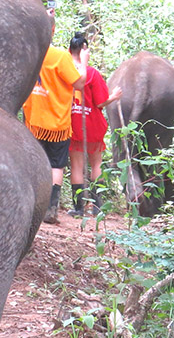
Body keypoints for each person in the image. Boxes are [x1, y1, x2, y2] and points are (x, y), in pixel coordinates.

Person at [22, 14, 85, 224]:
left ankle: (29, 207)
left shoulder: (29, 52)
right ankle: (50, 209)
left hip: (33, 120)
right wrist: (82, 63)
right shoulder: (60, 56)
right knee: (56, 165)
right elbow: (79, 83)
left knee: (32, 163)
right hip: (57, 123)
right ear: (53, 30)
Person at [66, 32, 121, 217]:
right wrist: (113, 97)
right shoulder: (92, 73)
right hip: (92, 125)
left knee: (76, 166)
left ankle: (79, 208)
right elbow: (100, 102)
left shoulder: (64, 69)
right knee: (96, 163)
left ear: (69, 50)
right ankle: (97, 207)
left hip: (71, 124)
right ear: (84, 50)